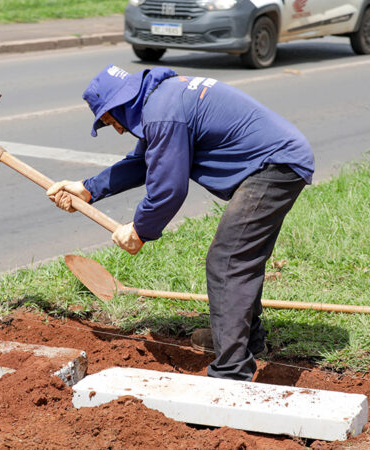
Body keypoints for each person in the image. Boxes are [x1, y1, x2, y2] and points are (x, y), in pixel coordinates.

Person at [46, 64, 314, 381]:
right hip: (276, 162)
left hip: (274, 167)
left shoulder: (163, 112)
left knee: (228, 261)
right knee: (239, 257)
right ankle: (242, 342)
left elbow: (169, 189)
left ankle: (231, 373)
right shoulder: (163, 98)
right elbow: (144, 161)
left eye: (109, 120)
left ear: (120, 105)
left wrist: (139, 231)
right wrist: (88, 188)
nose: (116, 129)